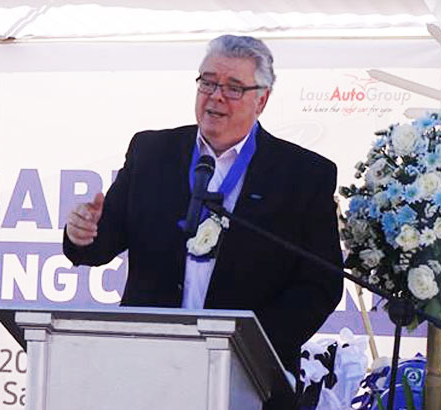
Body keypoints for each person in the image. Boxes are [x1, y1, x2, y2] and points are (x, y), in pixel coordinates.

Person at [63, 35, 343, 409]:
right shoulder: (152, 152)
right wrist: (83, 233)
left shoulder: (303, 175)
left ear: (262, 100)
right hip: (149, 365)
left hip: (248, 379)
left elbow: (320, 283)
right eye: (208, 82)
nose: (215, 96)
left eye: (233, 87)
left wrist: (250, 345)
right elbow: (101, 244)